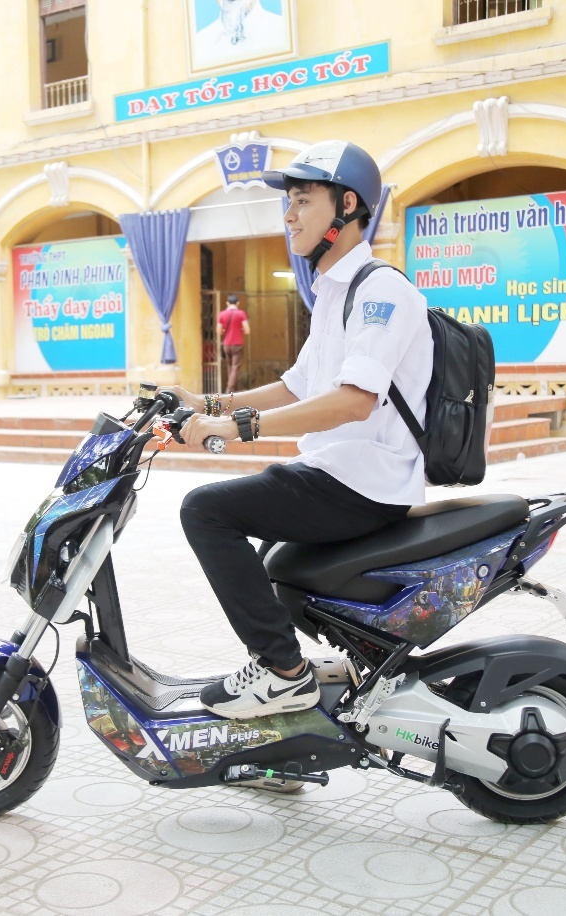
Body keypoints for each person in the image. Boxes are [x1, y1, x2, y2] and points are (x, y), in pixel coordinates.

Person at [168, 140, 434, 719]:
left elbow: (352, 402)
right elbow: (295, 386)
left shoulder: (381, 292)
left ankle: (284, 674)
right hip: (335, 474)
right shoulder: (337, 293)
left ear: (346, 205)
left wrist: (235, 427)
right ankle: (287, 723)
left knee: (206, 511)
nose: (287, 215)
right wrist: (208, 400)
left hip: (364, 481)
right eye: (287, 201)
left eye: (302, 200)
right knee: (265, 562)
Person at [217, 294, 249, 392]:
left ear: (227, 303)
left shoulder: (221, 314)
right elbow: (247, 330)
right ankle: (229, 388)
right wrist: (241, 329)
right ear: (238, 303)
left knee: (230, 366)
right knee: (235, 367)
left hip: (226, 344)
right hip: (237, 343)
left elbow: (218, 331)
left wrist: (224, 331)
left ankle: (233, 389)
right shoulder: (241, 314)